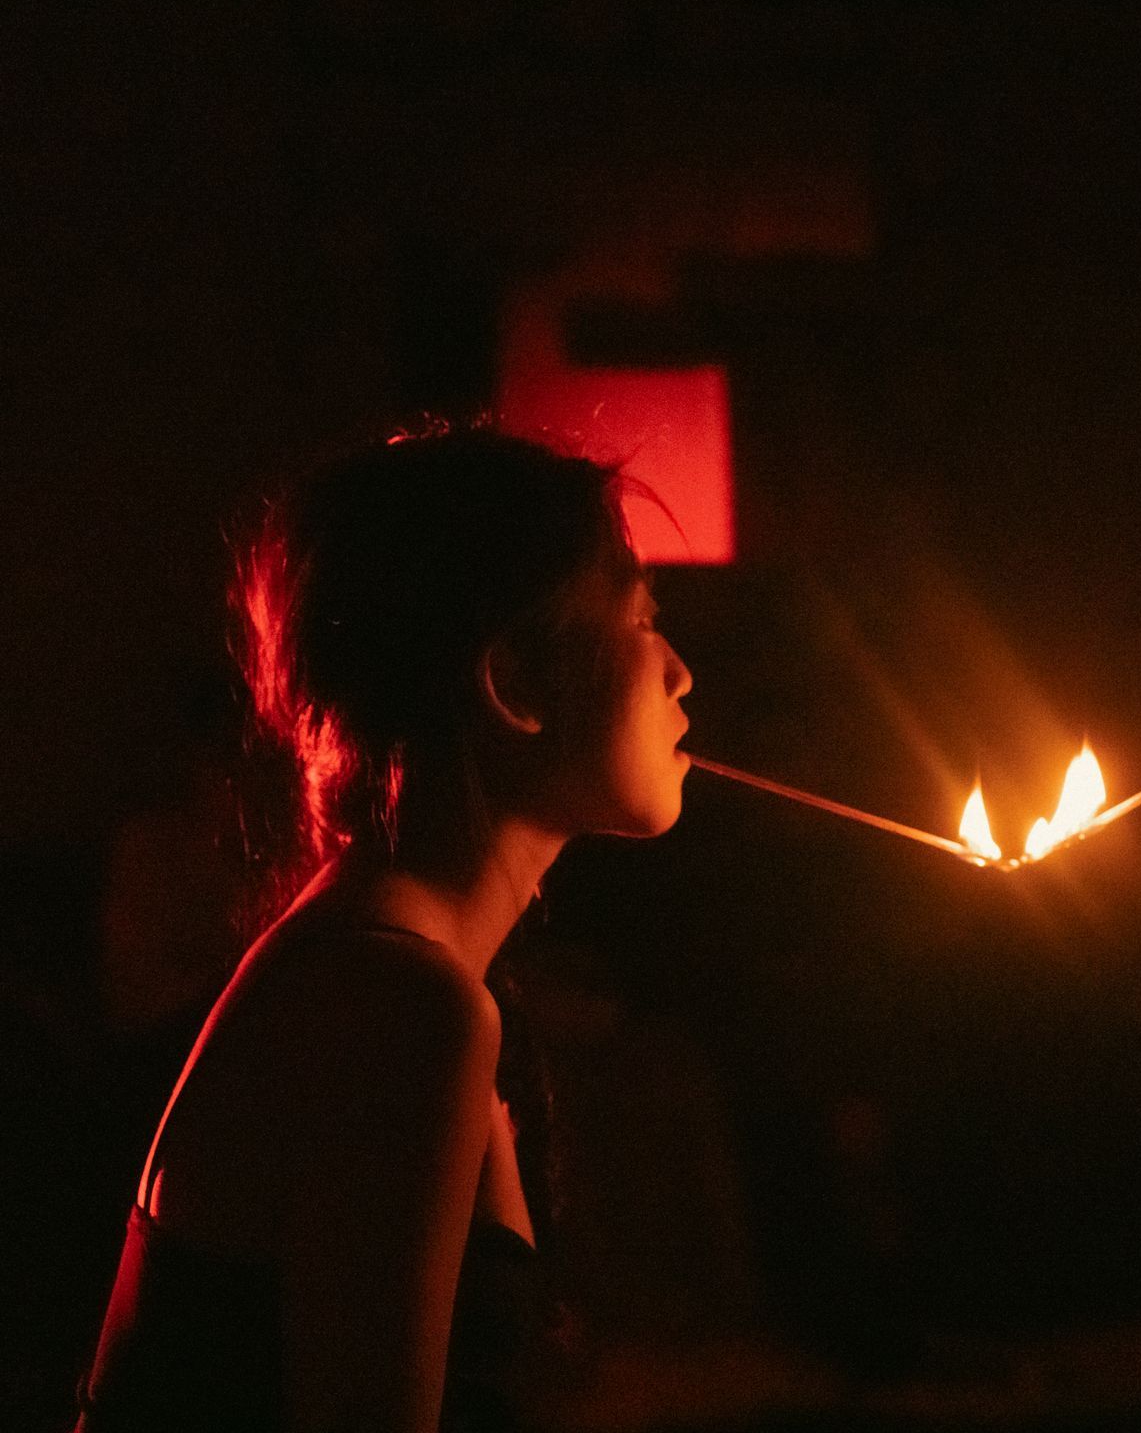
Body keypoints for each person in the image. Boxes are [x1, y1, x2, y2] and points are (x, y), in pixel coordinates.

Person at [74, 428, 694, 1430]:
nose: (682, 674)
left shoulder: (401, 979)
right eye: (641, 617)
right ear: (515, 685)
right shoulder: (403, 1008)